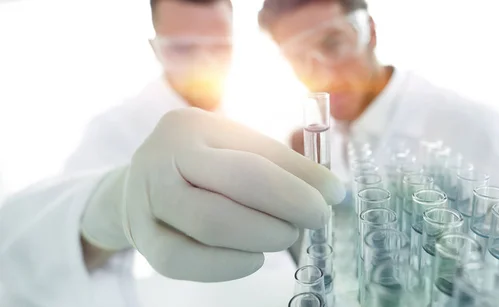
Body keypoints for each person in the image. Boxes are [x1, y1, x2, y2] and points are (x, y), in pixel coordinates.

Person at [0, 0, 345, 306]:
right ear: (156, 48)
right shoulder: (115, 129)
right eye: (183, 49)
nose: (205, 63)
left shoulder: (253, 115)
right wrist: (114, 207)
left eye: (220, 47)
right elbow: (33, 252)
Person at [257, 0, 499, 239]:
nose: (322, 74)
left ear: (370, 33)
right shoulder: (320, 136)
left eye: (333, 44)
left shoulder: (468, 124)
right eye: (299, 59)